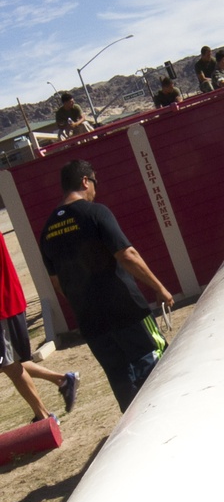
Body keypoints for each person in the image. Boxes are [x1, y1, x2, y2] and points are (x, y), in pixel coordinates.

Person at [39, 160, 173, 412]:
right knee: (155, 362)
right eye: (94, 184)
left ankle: (137, 433)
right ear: (85, 181)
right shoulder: (95, 213)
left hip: (91, 322)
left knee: (120, 377)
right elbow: (127, 255)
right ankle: (169, 416)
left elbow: (57, 283)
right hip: (127, 311)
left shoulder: (47, 230)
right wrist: (159, 288)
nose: (95, 191)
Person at [1, 231, 79, 422]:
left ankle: (43, 416)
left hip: (3, 308)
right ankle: (63, 380)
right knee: (12, 362)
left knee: (9, 364)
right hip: (10, 304)